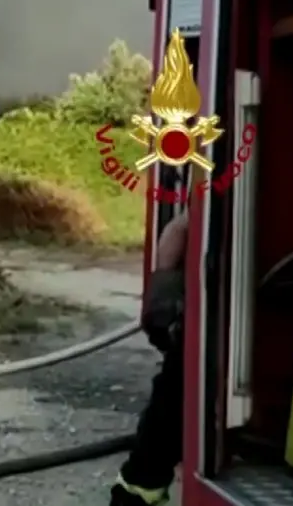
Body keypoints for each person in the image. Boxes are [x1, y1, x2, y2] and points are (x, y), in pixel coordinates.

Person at [111, 211, 190, 506]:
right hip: (203, 331)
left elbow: (178, 230)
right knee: (168, 409)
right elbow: (180, 229)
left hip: (207, 328)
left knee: (164, 416)